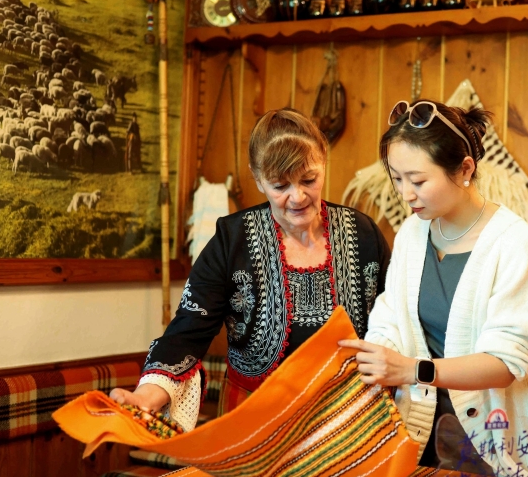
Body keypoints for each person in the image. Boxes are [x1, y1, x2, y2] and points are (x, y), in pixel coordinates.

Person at [110, 109, 391, 432]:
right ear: (257, 178)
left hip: (349, 421)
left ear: (324, 161)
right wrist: (147, 394)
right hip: (253, 422)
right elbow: (189, 329)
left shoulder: (364, 234)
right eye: (279, 186)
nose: (297, 197)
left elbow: (399, 322)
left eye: (309, 180)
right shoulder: (233, 240)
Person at [338, 99, 528, 477]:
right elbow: (392, 321)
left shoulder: (514, 244)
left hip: (498, 441)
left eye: (418, 180)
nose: (406, 193)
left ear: (466, 169)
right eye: (397, 178)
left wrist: (410, 370)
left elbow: (505, 365)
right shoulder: (412, 233)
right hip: (418, 432)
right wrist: (373, 357)